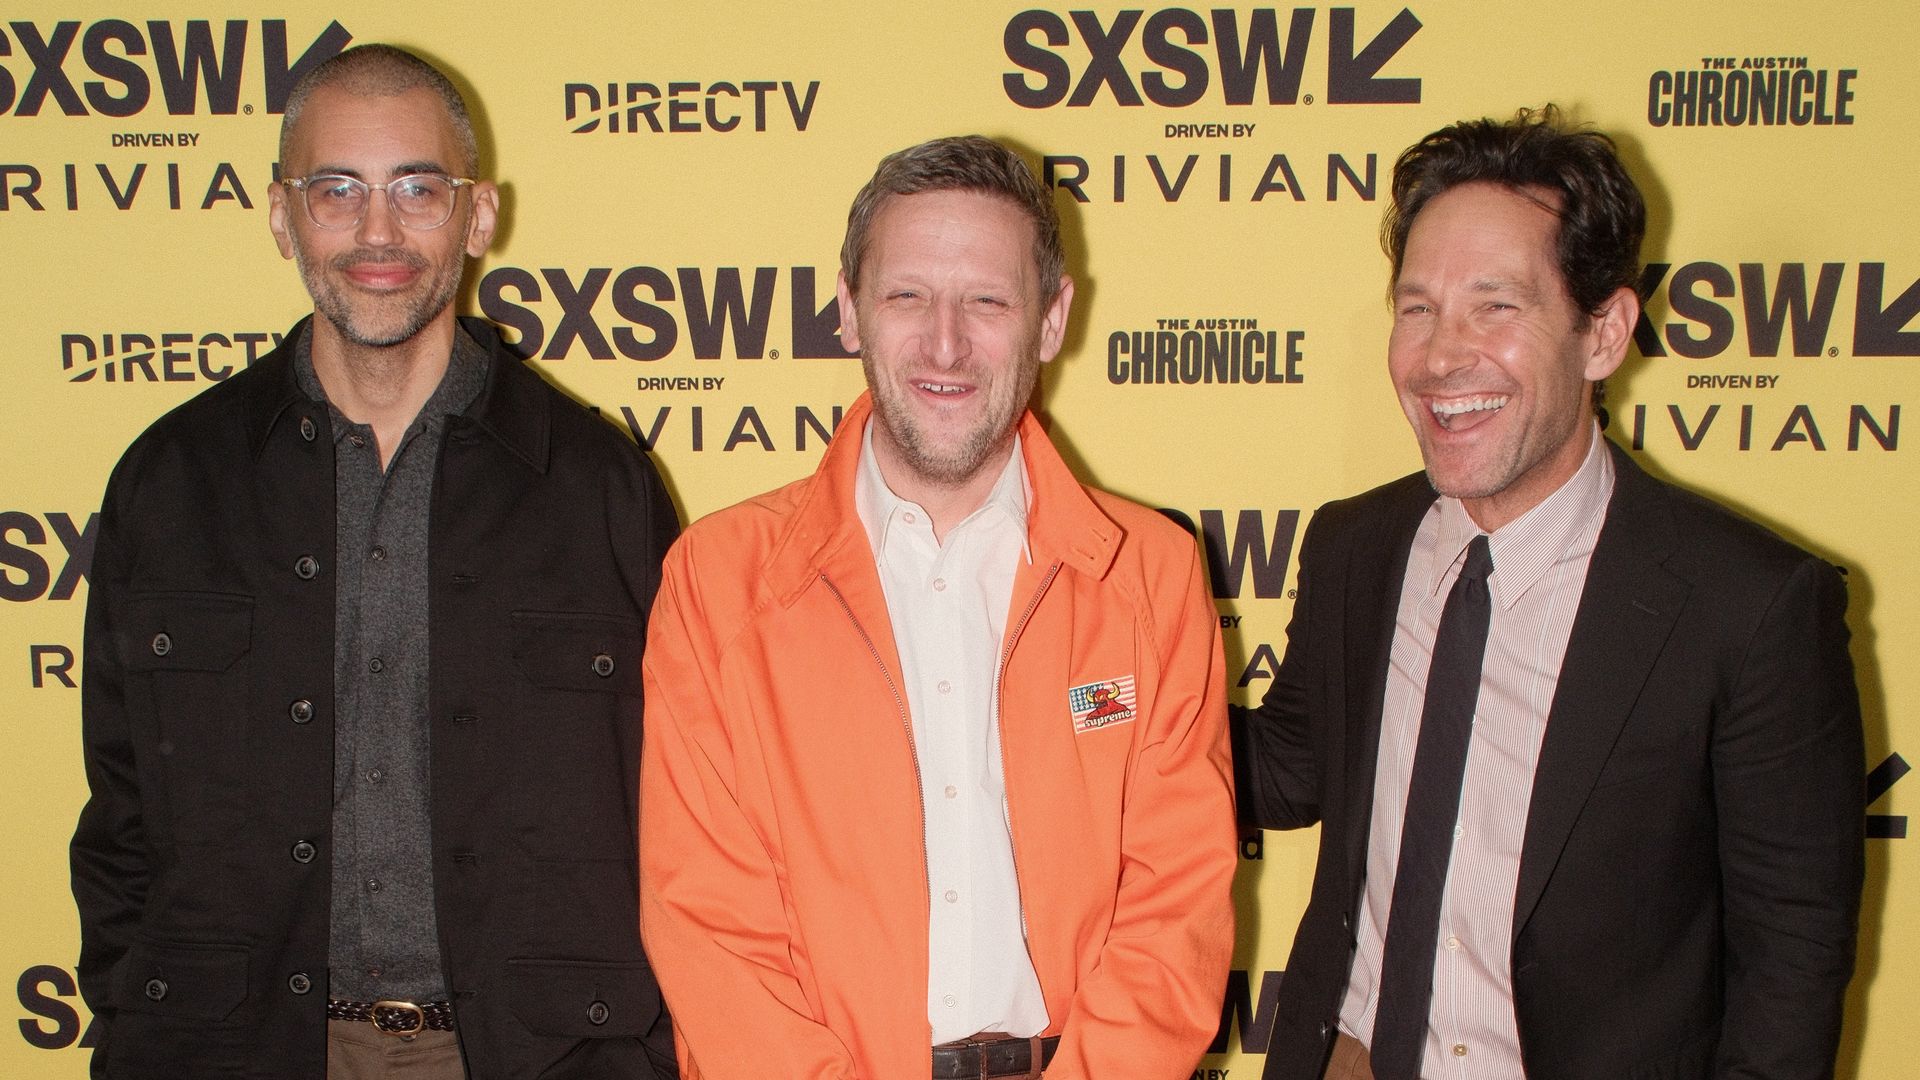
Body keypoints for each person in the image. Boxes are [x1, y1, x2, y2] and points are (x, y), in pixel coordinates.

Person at [70, 44, 680, 1079]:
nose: (378, 232)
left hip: (533, 1056)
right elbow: (123, 815)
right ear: (281, 214)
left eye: (418, 189)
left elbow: (683, 814)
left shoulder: (598, 489)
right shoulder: (172, 484)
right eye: (337, 190)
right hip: (231, 1047)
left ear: (478, 216)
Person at [1234, 105, 1864, 1080]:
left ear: (1604, 332)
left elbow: (1794, 957)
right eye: (1417, 308)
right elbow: (1288, 768)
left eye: (1496, 305)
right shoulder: (1357, 546)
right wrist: (1064, 708)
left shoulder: (1748, 604)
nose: (1442, 356)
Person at [638, 135, 1236, 1080]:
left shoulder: (1150, 576)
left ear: (1051, 320)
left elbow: (1178, 908)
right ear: (848, 311)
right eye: (907, 295)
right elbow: (709, 927)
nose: (945, 342)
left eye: (988, 301)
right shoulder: (718, 582)